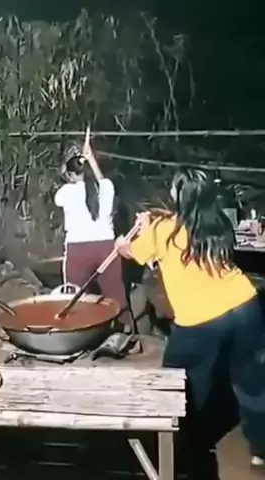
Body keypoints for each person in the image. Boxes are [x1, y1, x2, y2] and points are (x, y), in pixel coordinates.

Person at [115, 168, 265, 479]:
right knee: (252, 384)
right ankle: (261, 450)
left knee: (178, 387)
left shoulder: (163, 229)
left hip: (200, 321)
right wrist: (152, 223)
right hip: (245, 307)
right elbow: (185, 229)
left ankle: (180, 450)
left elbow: (133, 252)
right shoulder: (219, 222)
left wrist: (123, 243)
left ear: (179, 195)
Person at [54, 136, 128, 318]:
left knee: (74, 298)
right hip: (107, 249)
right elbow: (101, 181)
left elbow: (60, 197)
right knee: (116, 297)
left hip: (78, 251)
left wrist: (70, 169)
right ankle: (126, 330)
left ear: (71, 175)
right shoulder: (107, 188)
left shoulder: (65, 192)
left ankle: (78, 330)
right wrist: (91, 159)